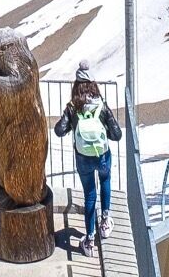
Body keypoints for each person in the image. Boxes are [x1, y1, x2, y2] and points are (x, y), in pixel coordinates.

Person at [53, 66, 122, 256]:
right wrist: (103, 132)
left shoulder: (73, 107)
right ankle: (105, 223)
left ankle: (89, 241)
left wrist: (73, 126)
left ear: (76, 86)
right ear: (93, 85)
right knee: (105, 181)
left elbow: (59, 130)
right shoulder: (101, 105)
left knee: (90, 195)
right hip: (102, 155)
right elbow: (117, 134)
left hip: (83, 157)